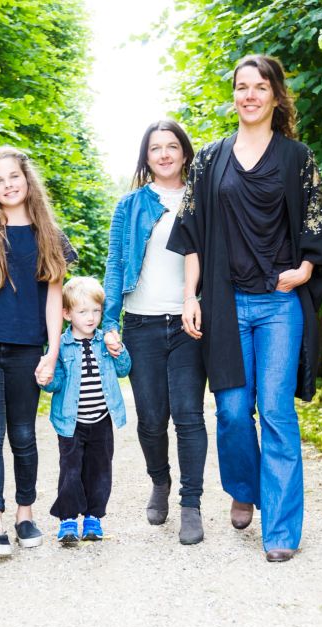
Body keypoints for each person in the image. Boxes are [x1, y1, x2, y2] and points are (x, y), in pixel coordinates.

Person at [167, 54, 322, 562]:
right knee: (234, 412)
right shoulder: (209, 159)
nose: (249, 95)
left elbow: (318, 224)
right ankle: (244, 487)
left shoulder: (296, 157)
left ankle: (282, 530)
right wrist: (189, 298)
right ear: (234, 96)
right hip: (226, 303)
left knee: (278, 413)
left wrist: (305, 270)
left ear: (275, 96)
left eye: (260, 87)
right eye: (241, 87)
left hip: (280, 303)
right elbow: (192, 233)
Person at [0, 146, 76, 559]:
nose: (7, 185)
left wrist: (51, 353)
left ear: (28, 180)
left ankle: (25, 514)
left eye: (13, 177)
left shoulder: (48, 235)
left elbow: (53, 299)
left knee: (23, 435)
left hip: (27, 349)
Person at [103, 120, 209, 545]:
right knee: (151, 420)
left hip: (188, 324)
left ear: (185, 153)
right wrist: (110, 320)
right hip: (141, 324)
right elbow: (115, 265)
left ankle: (191, 503)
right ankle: (160, 481)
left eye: (171, 147)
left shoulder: (202, 200)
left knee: (188, 414)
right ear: (145, 158)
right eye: (154, 149)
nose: (164, 154)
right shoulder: (129, 206)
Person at [40, 277, 132, 545]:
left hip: (102, 420)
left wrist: (119, 350)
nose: (91, 318)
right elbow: (55, 382)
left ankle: (93, 517)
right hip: (71, 422)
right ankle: (68, 520)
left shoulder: (105, 341)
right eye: (83, 312)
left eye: (96, 311)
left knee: (100, 470)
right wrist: (44, 378)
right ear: (67, 314)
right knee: (70, 470)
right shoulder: (61, 345)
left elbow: (124, 369)